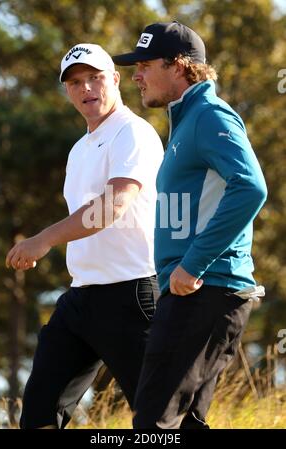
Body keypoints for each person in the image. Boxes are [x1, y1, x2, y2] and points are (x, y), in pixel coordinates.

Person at [112, 21, 268, 429]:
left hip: (204, 290)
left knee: (153, 425)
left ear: (179, 66)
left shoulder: (209, 115)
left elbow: (250, 187)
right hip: (199, 292)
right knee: (183, 426)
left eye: (144, 64)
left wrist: (192, 265)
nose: (136, 75)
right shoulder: (185, 120)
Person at [6, 43, 163, 429]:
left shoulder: (133, 132)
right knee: (39, 413)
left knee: (161, 422)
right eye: (75, 82)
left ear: (115, 79)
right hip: (81, 297)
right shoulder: (79, 148)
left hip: (133, 294)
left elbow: (115, 203)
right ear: (67, 91)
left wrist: (44, 239)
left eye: (95, 77)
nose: (86, 88)